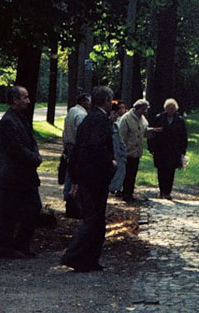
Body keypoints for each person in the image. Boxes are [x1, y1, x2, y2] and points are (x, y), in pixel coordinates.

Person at [61, 86, 116, 272]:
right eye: (111, 101)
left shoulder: (88, 119)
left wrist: (75, 175)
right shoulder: (100, 120)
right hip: (95, 176)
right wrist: (111, 163)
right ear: (106, 100)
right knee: (94, 219)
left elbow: (78, 148)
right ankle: (75, 255)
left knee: (96, 219)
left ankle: (89, 259)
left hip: (87, 175)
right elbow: (96, 147)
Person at [0, 84, 43, 259]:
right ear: (15, 100)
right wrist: (34, 158)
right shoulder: (8, 121)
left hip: (24, 175)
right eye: (25, 97)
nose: (28, 101)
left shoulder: (20, 118)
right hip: (12, 175)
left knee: (33, 208)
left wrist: (35, 155)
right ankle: (5, 247)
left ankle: (21, 244)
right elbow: (15, 148)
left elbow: (30, 142)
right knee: (9, 212)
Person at [148, 98, 187, 200]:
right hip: (160, 149)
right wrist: (151, 147)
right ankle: (162, 191)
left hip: (174, 150)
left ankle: (168, 192)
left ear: (175, 109)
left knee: (170, 171)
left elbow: (183, 136)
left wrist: (183, 150)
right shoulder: (159, 118)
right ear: (165, 108)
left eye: (172, 108)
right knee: (161, 171)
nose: (170, 110)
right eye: (169, 108)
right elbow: (152, 133)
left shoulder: (180, 120)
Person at [61, 92, 91, 218]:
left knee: (71, 174)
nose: (90, 104)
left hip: (69, 146)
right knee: (76, 177)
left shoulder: (72, 111)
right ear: (83, 101)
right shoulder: (81, 115)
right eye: (88, 101)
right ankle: (74, 206)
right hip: (76, 147)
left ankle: (70, 203)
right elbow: (81, 133)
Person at [117, 99, 150, 202]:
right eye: (143, 109)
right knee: (127, 174)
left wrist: (151, 131)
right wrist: (122, 150)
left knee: (132, 173)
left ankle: (129, 193)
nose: (144, 111)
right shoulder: (126, 118)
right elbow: (121, 135)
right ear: (137, 108)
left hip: (137, 151)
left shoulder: (142, 118)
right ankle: (125, 193)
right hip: (127, 151)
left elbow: (143, 130)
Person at [108, 100, 128, 198]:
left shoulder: (115, 126)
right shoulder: (105, 126)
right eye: (114, 113)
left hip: (118, 156)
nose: (116, 116)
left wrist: (123, 154)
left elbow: (121, 142)